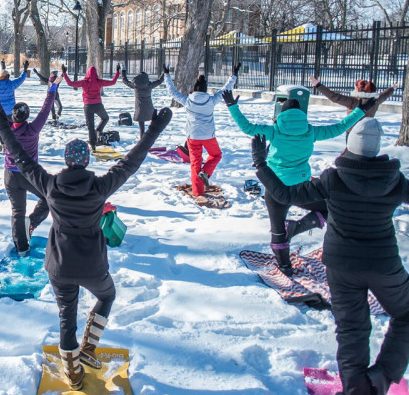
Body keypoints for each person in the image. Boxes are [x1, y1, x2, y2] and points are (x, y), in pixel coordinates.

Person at [0, 104, 172, 390]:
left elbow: (22, 159)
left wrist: (3, 127)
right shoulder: (100, 187)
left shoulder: (50, 186)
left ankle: (73, 372)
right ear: (86, 162)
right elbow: (130, 162)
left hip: (59, 266)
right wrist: (154, 130)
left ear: (66, 161)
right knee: (107, 296)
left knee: (66, 317)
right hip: (93, 266)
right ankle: (89, 346)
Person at [251, 121, 409, 395]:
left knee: (351, 328)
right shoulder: (395, 180)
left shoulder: (333, 179)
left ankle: (358, 390)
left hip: (341, 265)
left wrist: (261, 164)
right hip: (384, 265)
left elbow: (284, 194)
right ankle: (381, 378)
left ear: (350, 146)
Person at [224, 90, 370, 276]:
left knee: (277, 229)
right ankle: (297, 227)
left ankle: (284, 266)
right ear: (302, 115)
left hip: (275, 186)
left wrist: (232, 106)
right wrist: (361, 111)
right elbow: (340, 127)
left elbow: (248, 128)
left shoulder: (274, 131)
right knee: (329, 208)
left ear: (281, 115)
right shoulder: (311, 132)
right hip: (302, 187)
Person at [0, 73, 60, 255]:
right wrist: (52, 89)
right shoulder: (32, 129)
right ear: (27, 116)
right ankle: (33, 222)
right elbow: (46, 110)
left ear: (13, 116)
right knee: (47, 197)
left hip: (10, 176)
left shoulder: (7, 129)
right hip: (29, 175)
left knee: (17, 212)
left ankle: (21, 248)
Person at [163, 63, 238, 196]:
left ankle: (198, 192)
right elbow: (226, 89)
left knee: (195, 163)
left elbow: (172, 91)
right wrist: (234, 75)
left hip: (192, 136)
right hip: (208, 136)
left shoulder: (187, 101)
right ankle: (206, 172)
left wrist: (167, 74)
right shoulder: (211, 100)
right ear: (205, 90)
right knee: (216, 155)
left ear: (194, 89)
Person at [62, 64, 121, 152]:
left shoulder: (84, 82)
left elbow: (70, 83)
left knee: (90, 127)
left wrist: (64, 73)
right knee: (105, 118)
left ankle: (93, 145)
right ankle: (98, 130)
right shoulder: (99, 82)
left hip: (88, 106)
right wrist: (117, 72)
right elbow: (112, 82)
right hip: (98, 105)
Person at [309, 76, 397, 129]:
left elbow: (334, 97)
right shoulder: (375, 100)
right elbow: (385, 94)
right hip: (368, 129)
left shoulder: (353, 101)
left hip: (352, 130)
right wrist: (392, 88)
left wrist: (318, 85)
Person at [121, 69, 164, 137]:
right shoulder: (149, 85)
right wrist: (164, 72)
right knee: (153, 121)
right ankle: (151, 136)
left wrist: (123, 72)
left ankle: (142, 140)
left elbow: (125, 81)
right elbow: (160, 81)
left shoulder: (135, 85)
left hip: (139, 109)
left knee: (142, 128)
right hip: (149, 109)